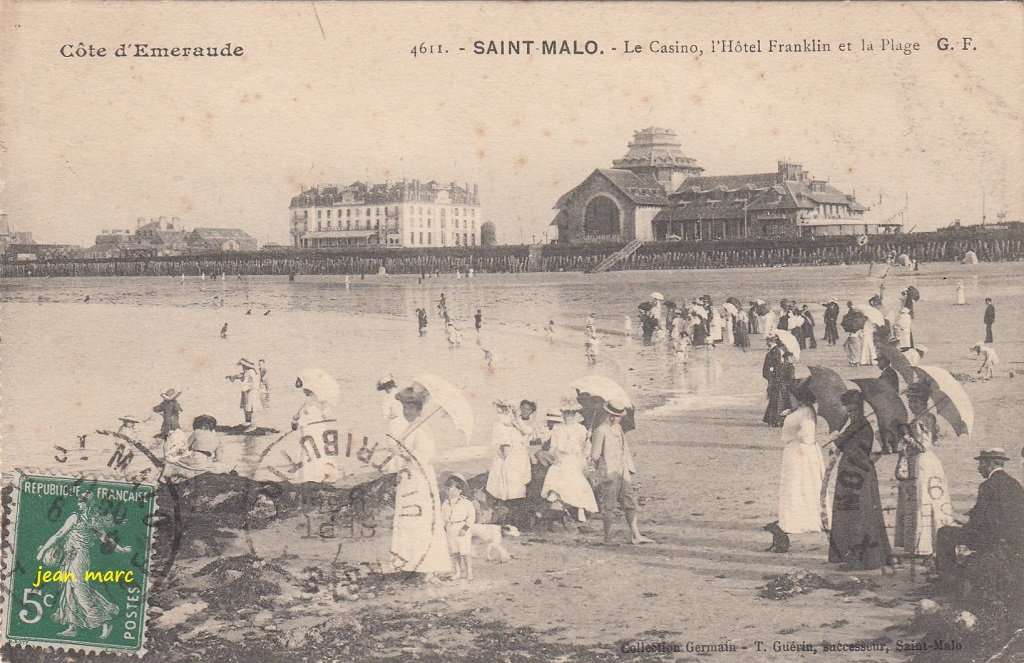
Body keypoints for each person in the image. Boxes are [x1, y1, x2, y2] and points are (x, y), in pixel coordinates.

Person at [35, 492, 131, 639]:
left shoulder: (91, 520)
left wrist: (121, 549)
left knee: (79, 589)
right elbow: (59, 534)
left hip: (80, 557)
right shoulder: (76, 517)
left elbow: (105, 539)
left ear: (89, 503)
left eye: (83, 501)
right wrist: (43, 550)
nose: (79, 503)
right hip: (69, 557)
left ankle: (104, 621)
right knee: (68, 590)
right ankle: (72, 626)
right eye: (79, 501)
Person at [935, 448, 1024, 586]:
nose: (978, 468)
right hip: (1014, 536)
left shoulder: (987, 485)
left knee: (944, 533)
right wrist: (968, 517)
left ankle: (949, 580)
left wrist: (961, 520)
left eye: (981, 464)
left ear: (990, 464)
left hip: (992, 537)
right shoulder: (1014, 484)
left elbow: (983, 520)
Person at [391, 384, 453, 580]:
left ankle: (426, 566)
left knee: (421, 519)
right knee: (406, 519)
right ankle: (408, 562)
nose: (407, 412)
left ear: (419, 409)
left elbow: (427, 454)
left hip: (420, 479)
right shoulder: (409, 427)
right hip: (408, 479)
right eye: (405, 408)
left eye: (411, 408)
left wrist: (407, 454)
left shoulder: (423, 427)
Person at [828, 390, 892, 571]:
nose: (851, 414)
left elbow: (850, 449)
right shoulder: (857, 425)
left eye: (853, 411)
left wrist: (836, 442)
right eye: (848, 412)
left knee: (856, 515)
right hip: (855, 473)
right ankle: (857, 556)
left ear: (860, 409)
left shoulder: (859, 426)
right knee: (855, 513)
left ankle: (858, 559)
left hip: (856, 474)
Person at [590, 399, 653, 545]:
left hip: (622, 469)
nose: (614, 418)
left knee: (629, 501)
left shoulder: (618, 429)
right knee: (608, 505)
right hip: (609, 470)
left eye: (617, 416)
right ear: (607, 413)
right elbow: (594, 455)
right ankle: (608, 537)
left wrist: (630, 468)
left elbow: (625, 449)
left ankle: (635, 534)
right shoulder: (600, 430)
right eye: (611, 415)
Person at [893, 414, 955, 556]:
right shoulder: (916, 420)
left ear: (923, 400)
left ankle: (925, 545)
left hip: (924, 464)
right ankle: (915, 544)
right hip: (915, 462)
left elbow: (923, 447)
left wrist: (906, 436)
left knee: (924, 500)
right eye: (911, 401)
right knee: (915, 501)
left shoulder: (925, 420)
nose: (912, 404)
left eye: (916, 401)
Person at [777, 382, 826, 537]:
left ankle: (795, 521)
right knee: (811, 484)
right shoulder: (810, 411)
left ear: (799, 398)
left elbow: (785, 437)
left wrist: (789, 416)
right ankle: (814, 519)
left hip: (797, 452)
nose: (790, 400)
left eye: (792, 397)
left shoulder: (795, 416)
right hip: (812, 451)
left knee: (795, 485)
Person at [542, 401, 598, 526]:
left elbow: (586, 450)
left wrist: (587, 440)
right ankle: (559, 509)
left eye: (572, 413)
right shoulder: (558, 428)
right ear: (562, 414)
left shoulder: (581, 429)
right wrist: (555, 457)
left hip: (575, 459)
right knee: (556, 475)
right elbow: (553, 447)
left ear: (576, 414)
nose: (569, 416)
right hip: (561, 458)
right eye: (567, 413)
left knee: (576, 480)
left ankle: (580, 508)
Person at [486, 400, 533, 504]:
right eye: (524, 408)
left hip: (521, 455)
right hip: (512, 453)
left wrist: (515, 419)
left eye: (528, 409)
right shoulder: (511, 421)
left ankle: (518, 502)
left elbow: (527, 431)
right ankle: (507, 501)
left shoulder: (529, 423)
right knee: (507, 477)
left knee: (519, 480)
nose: (525, 411)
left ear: (532, 412)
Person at [441, 474, 476, 581]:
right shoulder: (445, 503)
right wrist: (443, 527)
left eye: (450, 489)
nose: (448, 491)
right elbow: (442, 517)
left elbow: (471, 517)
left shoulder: (466, 503)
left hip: (461, 527)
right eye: (446, 489)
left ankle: (469, 573)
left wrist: (464, 529)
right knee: (454, 551)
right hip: (450, 528)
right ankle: (457, 572)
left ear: (459, 490)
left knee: (465, 551)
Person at [762, 335, 795, 428]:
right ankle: (777, 420)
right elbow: (790, 377)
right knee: (780, 402)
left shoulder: (775, 352)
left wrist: (771, 376)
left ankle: (773, 419)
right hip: (782, 384)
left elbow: (775, 368)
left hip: (777, 382)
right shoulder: (789, 365)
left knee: (776, 401)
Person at [227, 358, 262, 429]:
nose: (242, 367)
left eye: (243, 366)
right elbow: (241, 376)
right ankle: (247, 421)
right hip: (246, 390)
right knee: (246, 406)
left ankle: (250, 423)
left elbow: (254, 382)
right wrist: (232, 377)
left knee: (249, 406)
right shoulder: (247, 372)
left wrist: (249, 388)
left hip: (250, 391)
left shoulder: (251, 372)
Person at [841, 302, 863, 366]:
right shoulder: (859, 320)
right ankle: (854, 361)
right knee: (854, 349)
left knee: (852, 349)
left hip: (852, 335)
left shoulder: (850, 319)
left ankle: (854, 361)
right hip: (855, 335)